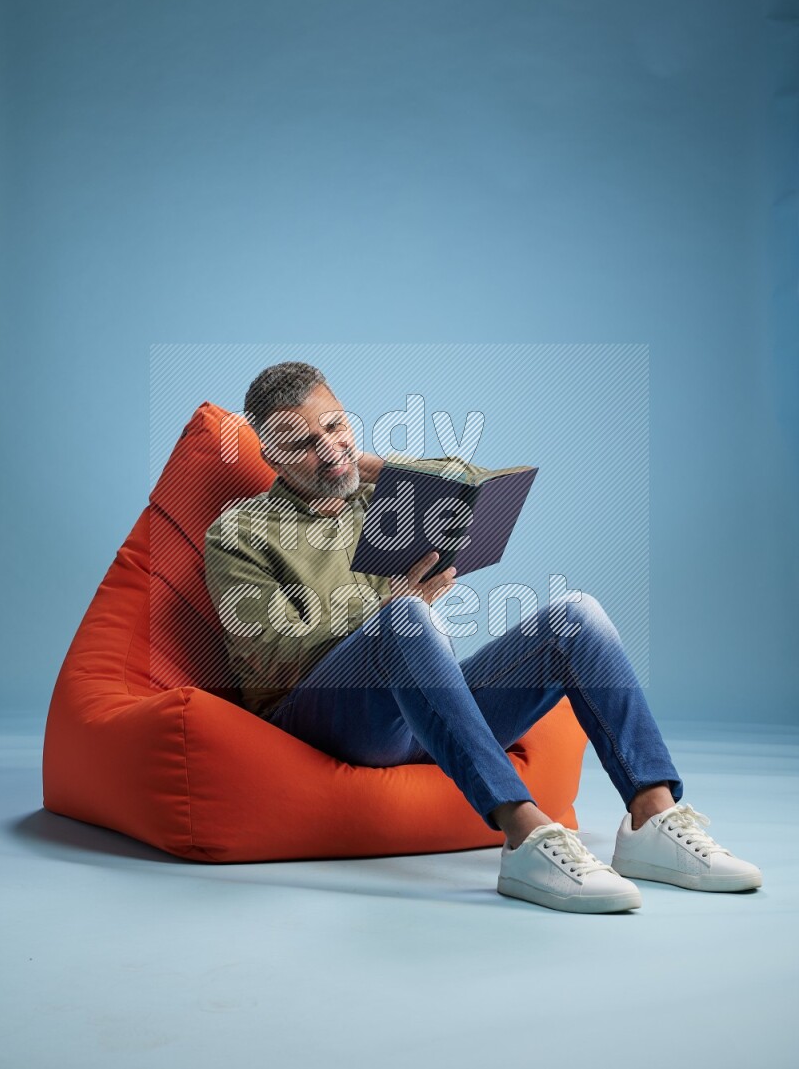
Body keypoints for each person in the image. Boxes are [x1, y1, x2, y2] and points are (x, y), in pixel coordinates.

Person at [204, 361, 763, 914]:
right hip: (328, 721)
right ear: (270, 455)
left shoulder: (379, 499)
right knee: (404, 620)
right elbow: (272, 659)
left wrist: (368, 466)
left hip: (425, 714)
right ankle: (525, 836)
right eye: (303, 443)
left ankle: (652, 817)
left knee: (578, 616)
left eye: (334, 427)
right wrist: (387, 607)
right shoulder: (239, 532)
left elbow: (472, 486)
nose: (328, 449)